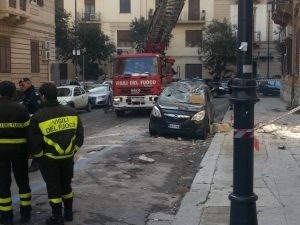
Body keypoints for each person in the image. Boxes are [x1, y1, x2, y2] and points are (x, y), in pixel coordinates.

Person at [29, 83, 84, 225]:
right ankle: (69, 213)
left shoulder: (37, 117)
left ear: (43, 96)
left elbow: (35, 143)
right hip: (67, 158)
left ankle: (57, 217)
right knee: (66, 185)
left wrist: (40, 157)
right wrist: (72, 150)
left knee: (53, 187)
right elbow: (80, 136)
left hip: (49, 160)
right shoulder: (72, 112)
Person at [0, 81, 32, 225]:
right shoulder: (21, 109)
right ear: (13, 93)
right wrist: (31, 150)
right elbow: (29, 133)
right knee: (22, 181)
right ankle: (25, 212)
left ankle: (6, 215)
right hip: (20, 152)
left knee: (3, 183)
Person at [19, 78, 40, 172]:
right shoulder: (26, 93)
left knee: (33, 141)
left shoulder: (32, 94)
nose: (21, 87)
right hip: (29, 121)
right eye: (20, 85)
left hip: (33, 121)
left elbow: (30, 106)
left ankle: (36, 162)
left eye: (22, 85)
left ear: (28, 84)